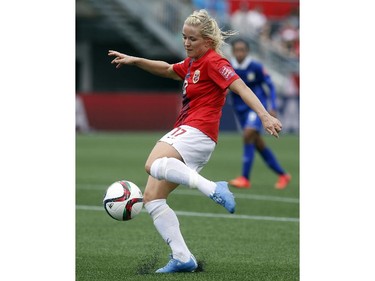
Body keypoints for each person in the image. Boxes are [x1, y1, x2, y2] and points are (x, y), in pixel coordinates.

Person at [108, 10, 282, 274]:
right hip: (193, 135)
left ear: (208, 41)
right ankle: (182, 257)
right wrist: (135, 60)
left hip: (197, 131)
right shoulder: (191, 63)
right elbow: (167, 69)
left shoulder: (214, 61)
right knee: (153, 198)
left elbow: (241, 86)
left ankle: (213, 188)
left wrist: (264, 115)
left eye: (193, 39)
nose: (187, 43)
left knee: (153, 163)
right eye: (184, 37)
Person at [227, 38, 291, 189]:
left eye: (242, 50)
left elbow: (270, 84)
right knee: (257, 143)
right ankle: (283, 175)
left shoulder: (255, 66)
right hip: (240, 110)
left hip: (255, 109)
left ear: (247, 51)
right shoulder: (229, 67)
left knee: (248, 134)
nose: (239, 53)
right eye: (237, 50)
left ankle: (245, 178)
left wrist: (272, 105)